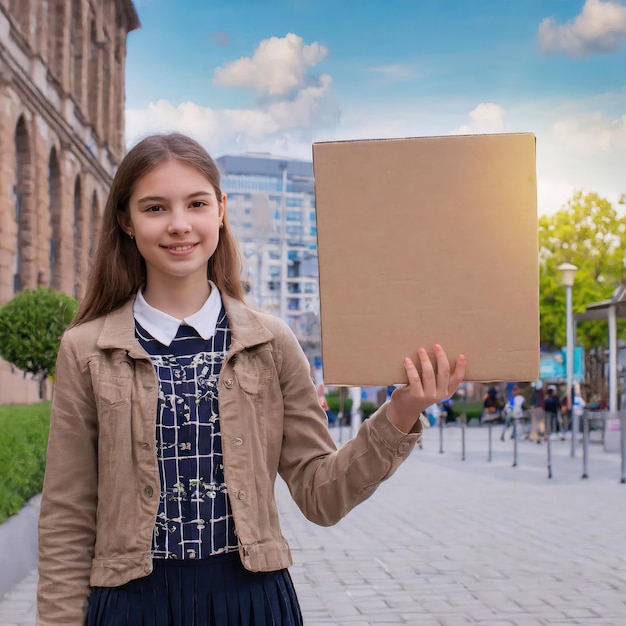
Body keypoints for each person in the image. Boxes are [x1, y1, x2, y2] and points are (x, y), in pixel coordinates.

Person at [36, 133, 466, 626]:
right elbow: (67, 517)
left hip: (250, 603)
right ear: (126, 221)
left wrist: (402, 411)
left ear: (220, 209)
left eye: (196, 203)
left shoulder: (271, 342)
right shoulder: (86, 349)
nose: (179, 225)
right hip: (130, 605)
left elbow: (321, 495)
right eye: (155, 208)